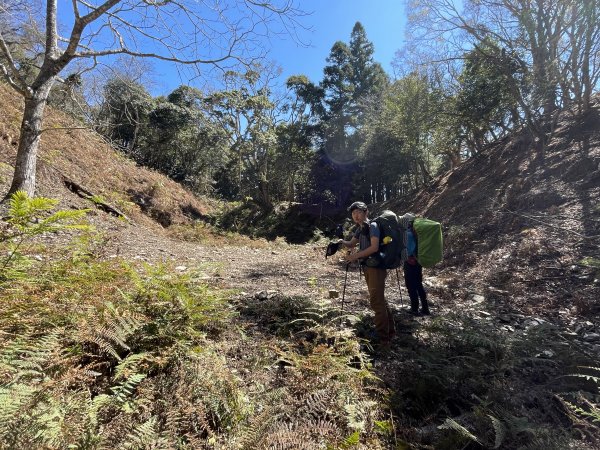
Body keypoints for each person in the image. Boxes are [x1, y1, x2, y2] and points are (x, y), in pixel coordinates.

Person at [339, 201, 396, 347]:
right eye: (353, 213)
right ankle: (390, 331)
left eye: (358, 212)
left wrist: (355, 256)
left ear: (366, 212)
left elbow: (374, 247)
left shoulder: (373, 226)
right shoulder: (360, 229)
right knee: (380, 298)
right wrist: (340, 241)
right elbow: (352, 243)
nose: (356, 216)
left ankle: (383, 339)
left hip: (376, 267)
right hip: (367, 267)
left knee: (376, 301)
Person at [403, 223, 430, 315]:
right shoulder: (418, 233)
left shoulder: (408, 234)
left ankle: (414, 309)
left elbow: (409, 250)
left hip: (410, 261)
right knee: (419, 284)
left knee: (411, 286)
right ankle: (425, 308)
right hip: (418, 261)